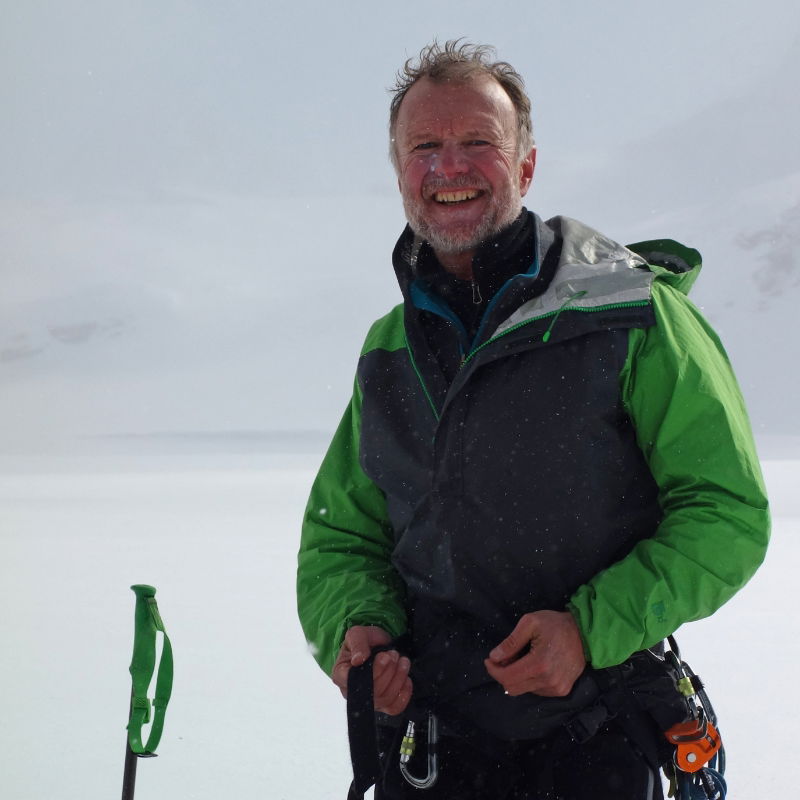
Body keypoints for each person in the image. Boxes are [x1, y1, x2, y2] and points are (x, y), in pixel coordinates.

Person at [296, 40, 769, 799]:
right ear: (398, 171)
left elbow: (727, 512)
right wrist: (360, 633)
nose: (450, 167)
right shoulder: (389, 349)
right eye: (425, 147)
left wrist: (590, 629)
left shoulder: (632, 317)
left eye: (478, 142)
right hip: (435, 747)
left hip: (601, 737)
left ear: (525, 166)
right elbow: (343, 534)